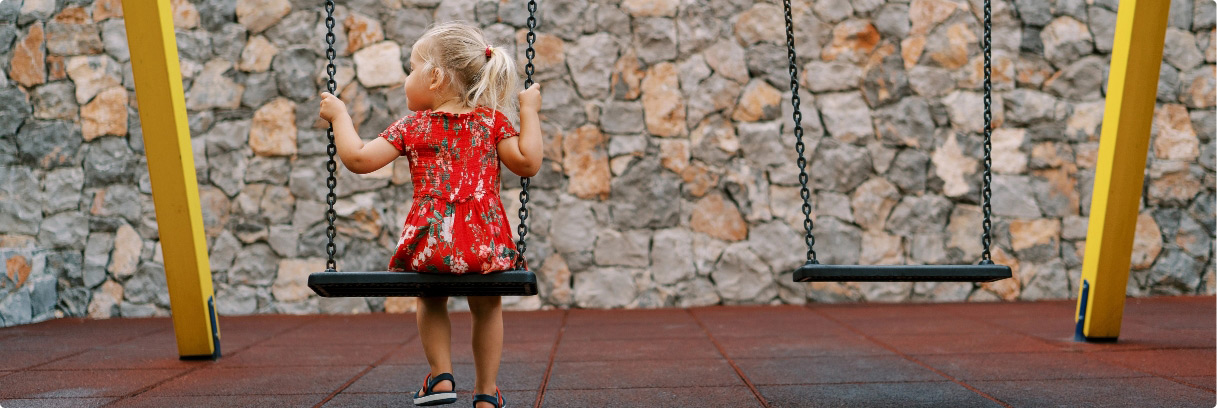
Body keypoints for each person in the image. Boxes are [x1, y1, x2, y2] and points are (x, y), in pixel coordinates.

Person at [318, 21, 542, 408]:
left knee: (430, 296)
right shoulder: (492, 122)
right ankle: (487, 394)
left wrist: (339, 115)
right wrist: (529, 110)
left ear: (435, 77)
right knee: (488, 305)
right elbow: (528, 163)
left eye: (411, 68)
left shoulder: (413, 126)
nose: (406, 78)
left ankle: (440, 376)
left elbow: (357, 158)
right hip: (483, 244)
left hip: (432, 243)